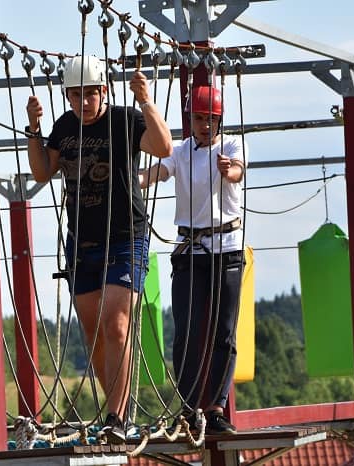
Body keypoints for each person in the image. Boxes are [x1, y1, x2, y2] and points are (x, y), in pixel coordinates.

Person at [25, 55, 172, 443]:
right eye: (77, 95)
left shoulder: (125, 119)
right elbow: (42, 171)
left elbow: (163, 146)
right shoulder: (64, 127)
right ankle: (116, 412)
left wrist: (145, 100)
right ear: (68, 96)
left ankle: (117, 417)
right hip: (82, 244)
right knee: (94, 335)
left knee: (117, 326)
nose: (84, 102)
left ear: (103, 91)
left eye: (91, 94)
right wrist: (34, 129)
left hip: (126, 237)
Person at [139, 85, 247, 435]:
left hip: (226, 248)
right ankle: (187, 408)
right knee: (186, 332)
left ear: (220, 121)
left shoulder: (230, 146)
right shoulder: (181, 151)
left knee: (223, 332)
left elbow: (237, 172)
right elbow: (158, 173)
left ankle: (215, 407)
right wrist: (134, 180)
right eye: (199, 119)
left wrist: (228, 170)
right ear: (191, 120)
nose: (205, 125)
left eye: (211, 119)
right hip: (190, 250)